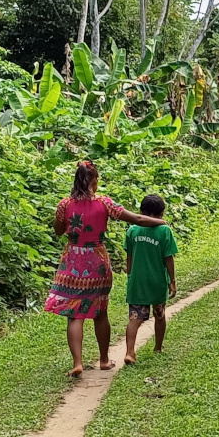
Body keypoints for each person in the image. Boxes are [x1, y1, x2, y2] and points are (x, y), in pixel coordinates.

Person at [46, 160, 166, 378]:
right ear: (94, 181)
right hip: (97, 261)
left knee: (74, 315)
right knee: (100, 312)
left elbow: (58, 230)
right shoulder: (104, 203)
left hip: (72, 261)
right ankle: (103, 360)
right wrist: (161, 222)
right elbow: (137, 218)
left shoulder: (65, 204)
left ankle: (77, 363)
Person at [123, 194, 178, 365]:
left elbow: (129, 257)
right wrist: (172, 280)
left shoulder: (132, 230)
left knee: (134, 318)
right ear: (162, 213)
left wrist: (130, 274)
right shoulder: (164, 231)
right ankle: (158, 347)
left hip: (137, 282)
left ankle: (130, 352)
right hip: (157, 281)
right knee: (159, 314)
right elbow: (168, 257)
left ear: (141, 211)